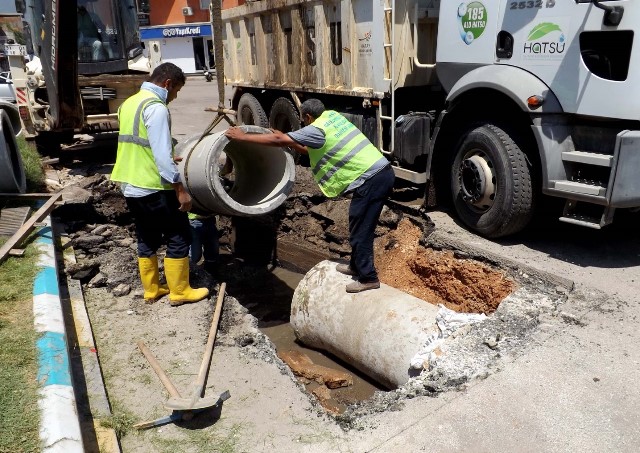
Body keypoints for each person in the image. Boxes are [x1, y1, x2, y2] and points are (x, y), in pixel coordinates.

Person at [224, 98, 394, 293]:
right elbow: (310, 148)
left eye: (303, 120)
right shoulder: (332, 118)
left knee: (361, 230)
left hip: (372, 180)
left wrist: (242, 137)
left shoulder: (315, 129)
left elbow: (280, 140)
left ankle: (368, 278)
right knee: (357, 223)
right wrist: (289, 139)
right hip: (378, 174)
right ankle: (356, 265)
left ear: (307, 116)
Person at [111, 62, 209, 306]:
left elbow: (138, 144)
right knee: (179, 235)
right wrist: (180, 189)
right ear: (167, 83)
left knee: (146, 237)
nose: (174, 97)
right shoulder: (156, 108)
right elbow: (161, 155)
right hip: (154, 186)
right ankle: (180, 291)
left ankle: (152, 289)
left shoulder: (129, 103)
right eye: (176, 91)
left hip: (131, 185)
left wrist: (164, 155)